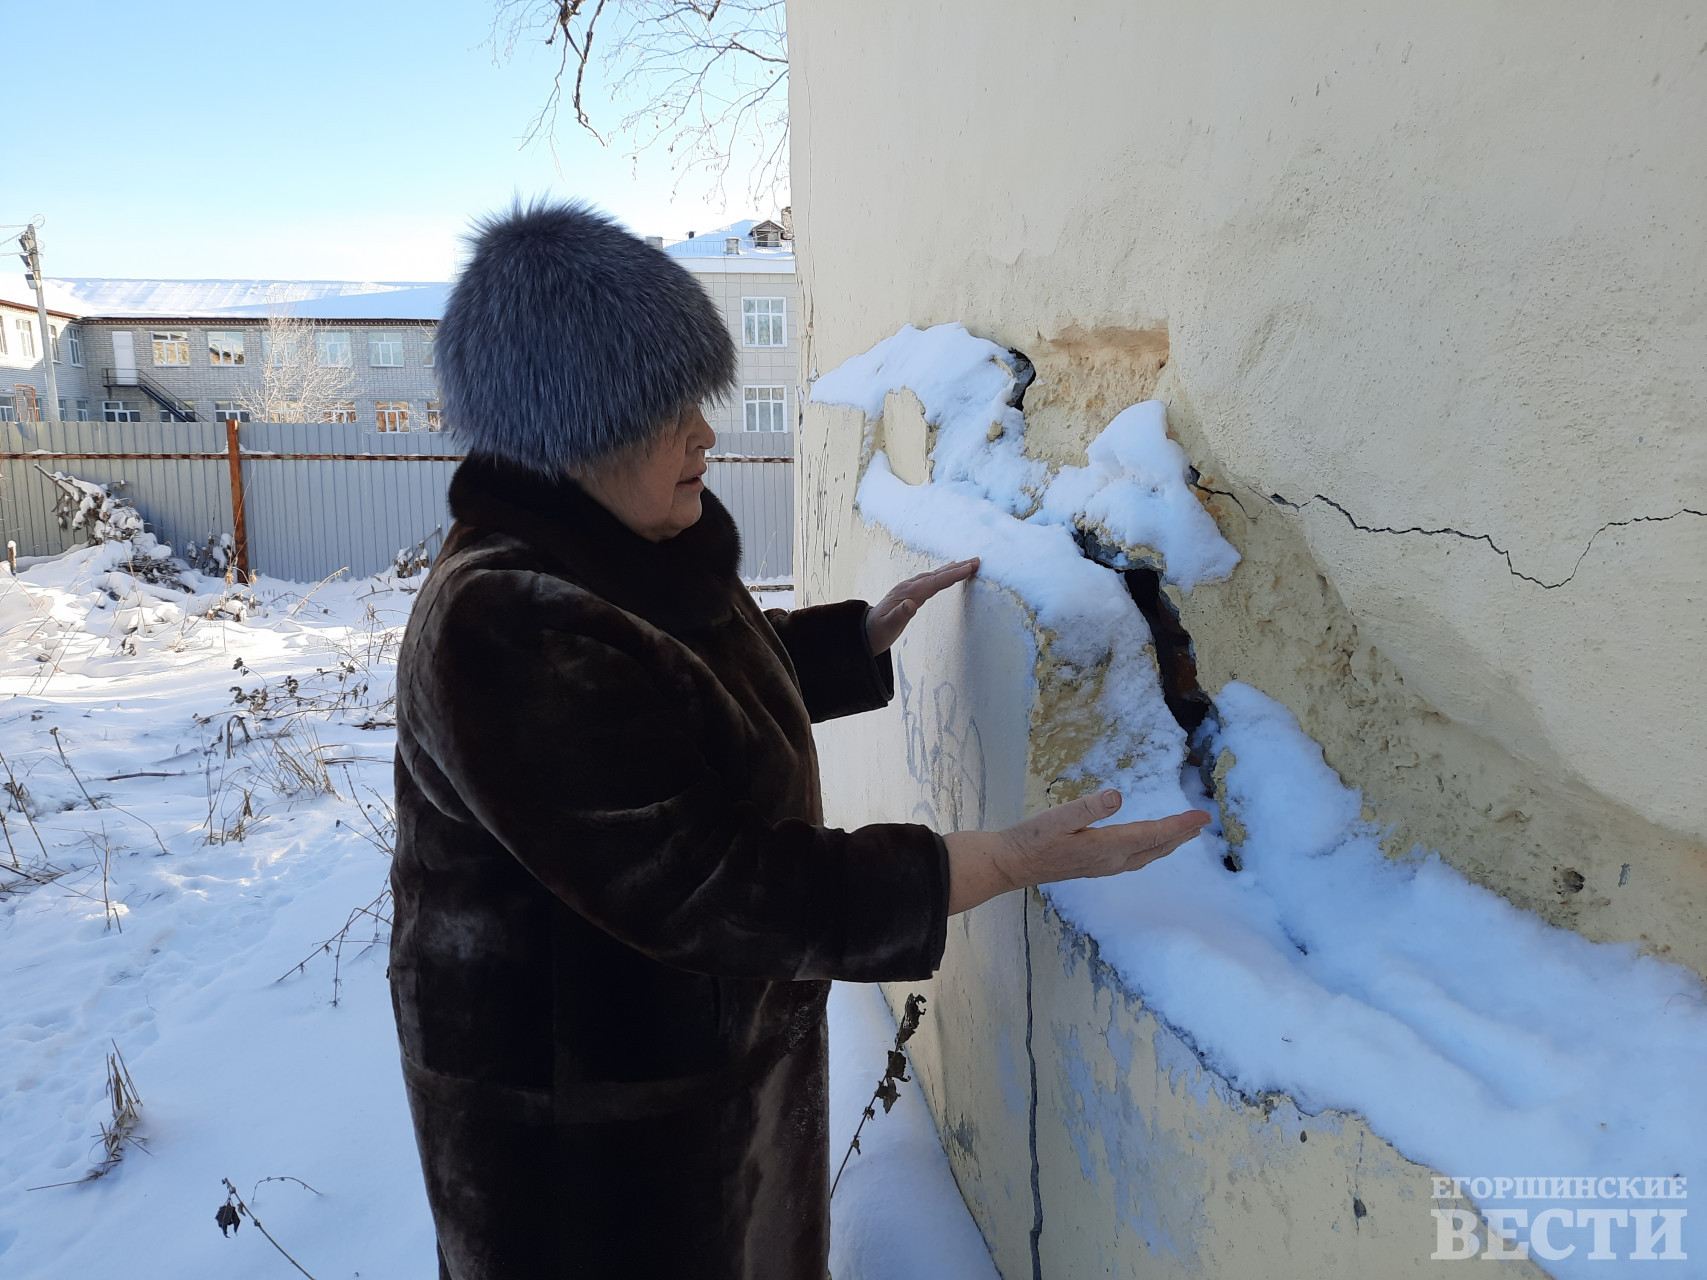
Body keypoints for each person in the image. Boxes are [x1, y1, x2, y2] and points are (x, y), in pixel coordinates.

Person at [390, 200, 1210, 1280]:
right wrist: (1000, 859)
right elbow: (709, 882)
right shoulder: (504, 621)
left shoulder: (618, 554)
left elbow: (662, 703)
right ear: (572, 433)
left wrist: (845, 644)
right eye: (667, 408)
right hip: (591, 1151)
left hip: (692, 1082)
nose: (706, 432)